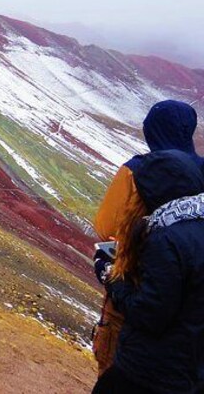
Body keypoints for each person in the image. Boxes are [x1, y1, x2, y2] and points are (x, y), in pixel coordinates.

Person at [92, 100, 203, 375]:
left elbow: (105, 227)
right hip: (191, 307)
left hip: (133, 293)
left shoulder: (137, 171)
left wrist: (110, 271)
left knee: (117, 368)